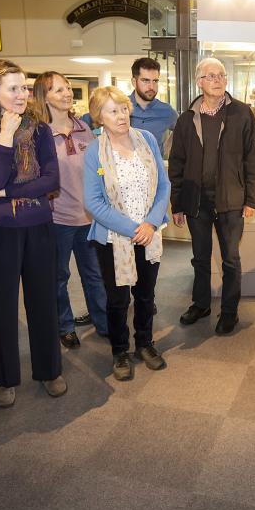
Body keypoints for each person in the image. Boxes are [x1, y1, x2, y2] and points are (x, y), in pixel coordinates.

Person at [0, 59, 66, 407]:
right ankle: (4, 379)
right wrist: (5, 136)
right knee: (0, 307)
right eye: (13, 88)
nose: (23, 94)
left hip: (38, 226)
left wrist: (6, 194)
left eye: (24, 87)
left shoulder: (40, 129)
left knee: (43, 302)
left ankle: (49, 370)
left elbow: (51, 180)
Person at [168, 57, 255, 335]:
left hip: (231, 201)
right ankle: (201, 304)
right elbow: (177, 163)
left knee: (231, 259)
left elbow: (253, 160)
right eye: (211, 76)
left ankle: (229, 312)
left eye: (221, 75)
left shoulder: (242, 113)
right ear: (199, 82)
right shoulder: (187, 119)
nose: (218, 80)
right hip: (196, 201)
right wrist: (177, 203)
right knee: (200, 256)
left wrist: (251, 199)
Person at [83, 86, 170, 381]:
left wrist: (151, 224)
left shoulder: (146, 140)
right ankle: (120, 350)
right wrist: (135, 229)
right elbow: (93, 202)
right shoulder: (94, 151)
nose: (120, 115)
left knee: (146, 295)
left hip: (149, 232)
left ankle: (145, 343)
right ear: (99, 117)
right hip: (113, 239)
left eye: (122, 108)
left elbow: (164, 185)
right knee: (118, 299)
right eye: (112, 110)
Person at [34, 71, 108, 348]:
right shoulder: (38, 134)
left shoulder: (84, 129)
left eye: (67, 88)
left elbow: (96, 169)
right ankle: (65, 326)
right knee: (59, 277)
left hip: (88, 217)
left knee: (94, 274)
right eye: (58, 90)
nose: (66, 94)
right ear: (45, 97)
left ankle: (103, 322)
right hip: (56, 220)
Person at [127, 57, 177, 154]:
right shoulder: (120, 106)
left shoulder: (166, 110)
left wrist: (166, 149)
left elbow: (183, 130)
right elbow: (90, 122)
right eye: (146, 81)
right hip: (123, 167)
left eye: (155, 81)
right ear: (134, 82)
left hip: (155, 167)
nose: (151, 87)